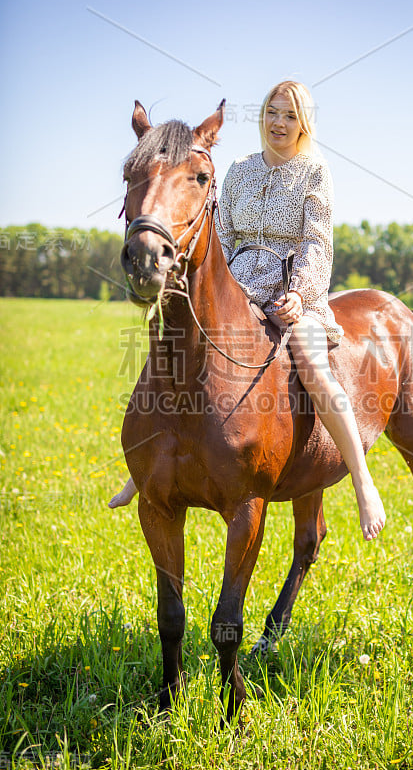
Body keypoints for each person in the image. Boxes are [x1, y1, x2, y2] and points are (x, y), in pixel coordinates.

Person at [110, 80, 386, 541]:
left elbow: (317, 243)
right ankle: (147, 467)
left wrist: (299, 293)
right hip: (237, 289)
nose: (280, 123)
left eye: (290, 116)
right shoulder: (238, 170)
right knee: (174, 348)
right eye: (273, 113)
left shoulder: (314, 173)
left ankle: (362, 480)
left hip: (293, 295)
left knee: (312, 363)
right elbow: (221, 235)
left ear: (303, 124)